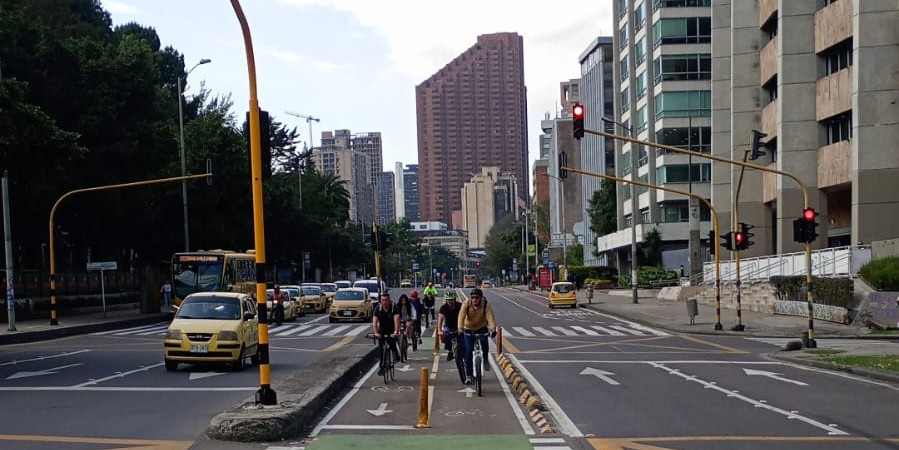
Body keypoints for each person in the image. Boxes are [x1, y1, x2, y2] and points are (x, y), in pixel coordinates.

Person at [458, 287, 497, 384]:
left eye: (477, 298)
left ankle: (485, 359)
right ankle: (469, 375)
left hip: (481, 327)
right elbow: (461, 316)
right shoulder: (466, 304)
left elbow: (490, 317)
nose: (474, 299)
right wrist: (460, 328)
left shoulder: (486, 305)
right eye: (473, 297)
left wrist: (493, 329)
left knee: (484, 342)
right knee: (468, 351)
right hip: (468, 329)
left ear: (481, 298)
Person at [371, 292, 401, 375]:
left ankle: (396, 355)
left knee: (392, 344)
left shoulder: (394, 308)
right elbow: (374, 322)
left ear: (389, 300)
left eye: (386, 300)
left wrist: (396, 332)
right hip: (382, 330)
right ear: (380, 301)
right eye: (383, 300)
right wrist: (376, 333)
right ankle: (382, 367)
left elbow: (397, 320)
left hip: (392, 329)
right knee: (381, 350)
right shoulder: (377, 309)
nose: (384, 302)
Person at [436, 290, 461, 361]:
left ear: (454, 299)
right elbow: (440, 319)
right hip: (448, 325)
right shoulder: (443, 307)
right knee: (446, 335)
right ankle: (450, 351)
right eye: (448, 300)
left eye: (451, 300)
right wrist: (440, 330)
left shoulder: (460, 306)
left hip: (459, 325)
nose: (450, 301)